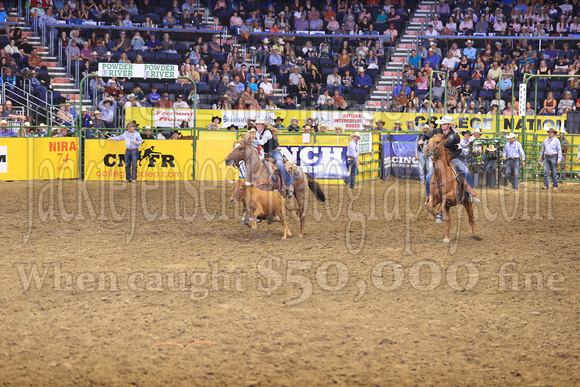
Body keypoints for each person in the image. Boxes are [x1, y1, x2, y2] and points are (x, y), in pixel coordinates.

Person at [424, 115, 480, 204]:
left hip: (451, 158)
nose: (442, 125)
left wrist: (451, 156)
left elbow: (459, 150)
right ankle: (429, 196)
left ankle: (468, 194)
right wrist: (421, 139)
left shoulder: (455, 135)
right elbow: (425, 136)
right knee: (428, 177)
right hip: (439, 160)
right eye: (441, 124)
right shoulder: (435, 131)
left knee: (465, 171)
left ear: (449, 125)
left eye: (444, 124)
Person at [252, 119, 294, 197]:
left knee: (280, 165)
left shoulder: (267, 132)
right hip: (266, 154)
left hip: (275, 153)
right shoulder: (257, 133)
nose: (258, 126)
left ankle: (289, 185)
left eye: (260, 125)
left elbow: (262, 142)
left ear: (264, 126)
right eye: (257, 125)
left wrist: (251, 141)